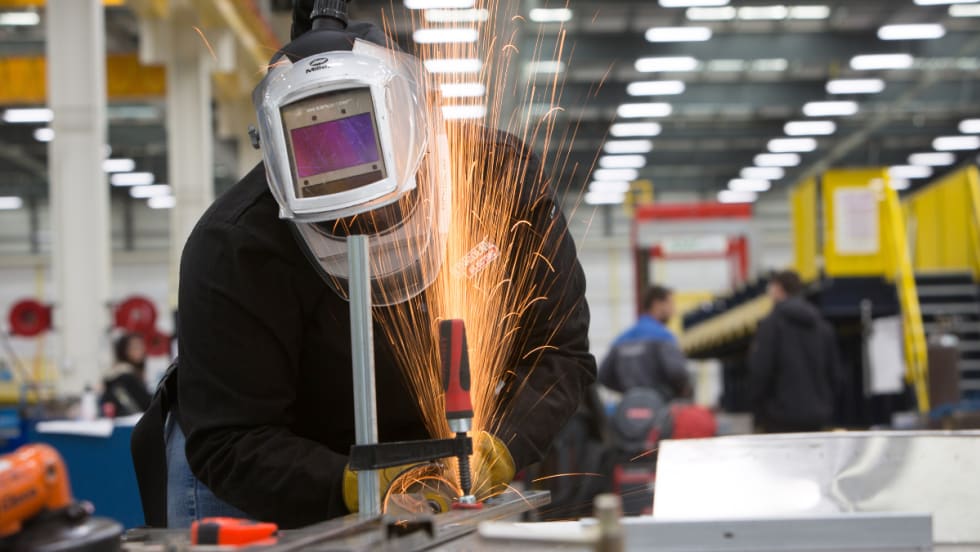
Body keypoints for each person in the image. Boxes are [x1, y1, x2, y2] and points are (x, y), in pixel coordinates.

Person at [132, 1, 595, 530]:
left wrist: (504, 446)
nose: (367, 226)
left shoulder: (495, 179)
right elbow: (230, 439)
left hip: (442, 452)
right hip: (273, 462)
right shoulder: (234, 246)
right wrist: (352, 485)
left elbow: (560, 351)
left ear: (416, 120)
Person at [747, 270, 842, 433]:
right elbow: (835, 374)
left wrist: (759, 411)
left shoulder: (770, 326)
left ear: (778, 289)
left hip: (779, 419)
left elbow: (760, 372)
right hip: (816, 417)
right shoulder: (823, 327)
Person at [598, 285, 690, 400]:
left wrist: (629, 393)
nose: (674, 310)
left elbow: (603, 375)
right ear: (657, 304)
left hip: (629, 404)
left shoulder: (621, 340)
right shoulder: (664, 337)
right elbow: (678, 373)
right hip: (660, 404)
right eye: (670, 303)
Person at [101, 333, 152, 416]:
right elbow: (145, 403)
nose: (140, 350)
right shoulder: (125, 375)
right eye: (134, 347)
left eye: (141, 346)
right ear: (124, 350)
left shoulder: (135, 371)